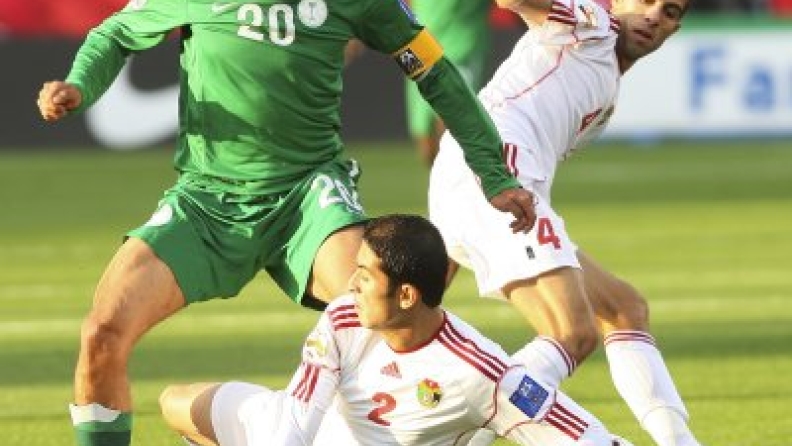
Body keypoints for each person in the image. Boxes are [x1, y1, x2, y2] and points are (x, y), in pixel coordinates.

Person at [35, 1, 538, 445]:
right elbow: (115, 34)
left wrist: (494, 173)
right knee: (102, 332)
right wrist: (79, 85)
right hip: (207, 200)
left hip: (308, 195)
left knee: (388, 313)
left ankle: (488, 404)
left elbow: (435, 72)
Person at [428, 0, 702, 445]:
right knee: (571, 333)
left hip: (488, 188)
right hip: (495, 181)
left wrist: (447, 244)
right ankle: (453, 435)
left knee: (624, 309)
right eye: (645, 1)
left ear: (675, 30)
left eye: (669, 12)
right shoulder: (591, 22)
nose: (653, 16)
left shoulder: (605, 87)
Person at [159, 214, 631, 446]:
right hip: (307, 432)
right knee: (175, 403)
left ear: (406, 295)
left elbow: (579, 434)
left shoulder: (478, 371)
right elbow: (295, 422)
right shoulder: (344, 318)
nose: (351, 284)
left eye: (366, 275)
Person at [403, 0, 492, 166]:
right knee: (425, 141)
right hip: (418, 45)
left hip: (461, 46)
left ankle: (458, 173)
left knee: (450, 119)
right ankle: (443, 177)